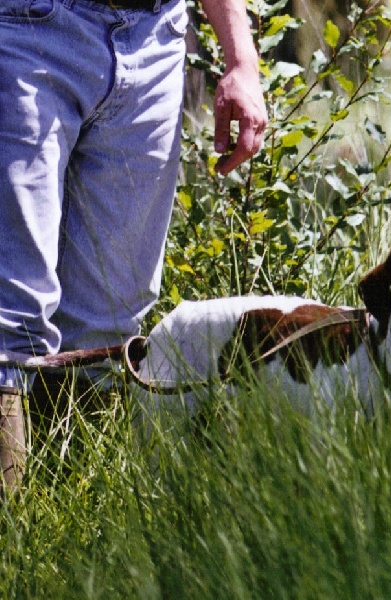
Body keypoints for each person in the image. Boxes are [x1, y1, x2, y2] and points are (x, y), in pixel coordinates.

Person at [0, 0, 268, 494]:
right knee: (8, 318)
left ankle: (67, 535)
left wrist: (241, 60)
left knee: (106, 326)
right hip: (28, 28)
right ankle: (12, 545)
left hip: (154, 43)